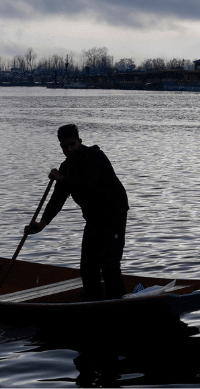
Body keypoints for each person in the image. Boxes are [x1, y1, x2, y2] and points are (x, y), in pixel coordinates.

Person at [25, 124, 130, 300]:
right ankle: (93, 301)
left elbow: (88, 184)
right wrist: (42, 224)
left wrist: (62, 178)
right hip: (94, 219)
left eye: (72, 144)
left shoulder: (95, 156)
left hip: (113, 214)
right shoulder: (66, 167)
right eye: (64, 146)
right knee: (88, 266)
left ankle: (119, 301)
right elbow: (57, 198)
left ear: (80, 141)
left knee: (109, 263)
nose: (69, 149)